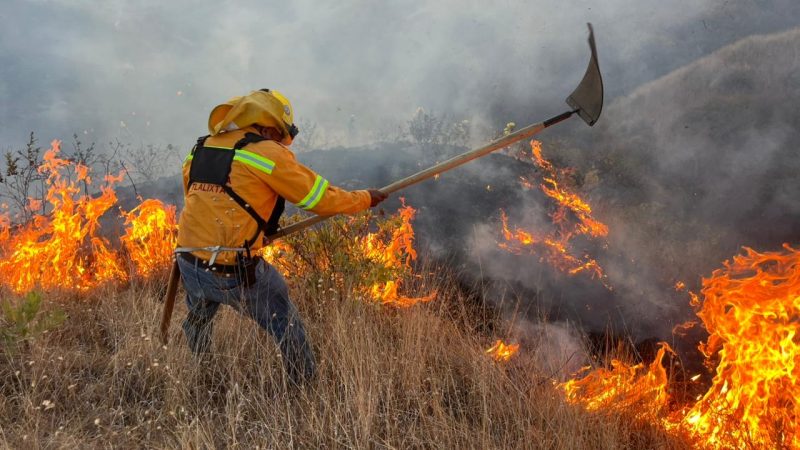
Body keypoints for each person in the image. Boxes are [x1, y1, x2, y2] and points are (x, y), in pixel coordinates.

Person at [175, 89, 387, 383]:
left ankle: (202, 369)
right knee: (285, 323)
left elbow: (196, 197)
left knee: (198, 316)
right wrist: (364, 198)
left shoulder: (201, 147)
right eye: (277, 135)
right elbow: (318, 198)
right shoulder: (265, 152)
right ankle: (304, 386)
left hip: (189, 261)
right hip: (235, 272)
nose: (277, 141)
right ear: (266, 126)